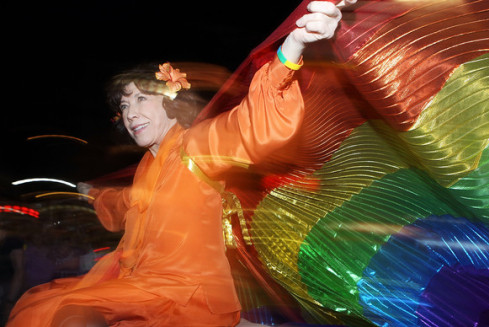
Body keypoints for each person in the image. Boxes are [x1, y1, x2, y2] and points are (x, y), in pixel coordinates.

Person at [7, 1, 357, 326]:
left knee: (64, 312)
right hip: (137, 290)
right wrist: (90, 193)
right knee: (44, 306)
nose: (131, 114)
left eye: (142, 99)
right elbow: (123, 201)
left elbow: (253, 125)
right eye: (125, 107)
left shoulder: (197, 144)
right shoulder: (147, 167)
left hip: (188, 295)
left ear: (170, 101)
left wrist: (294, 45)